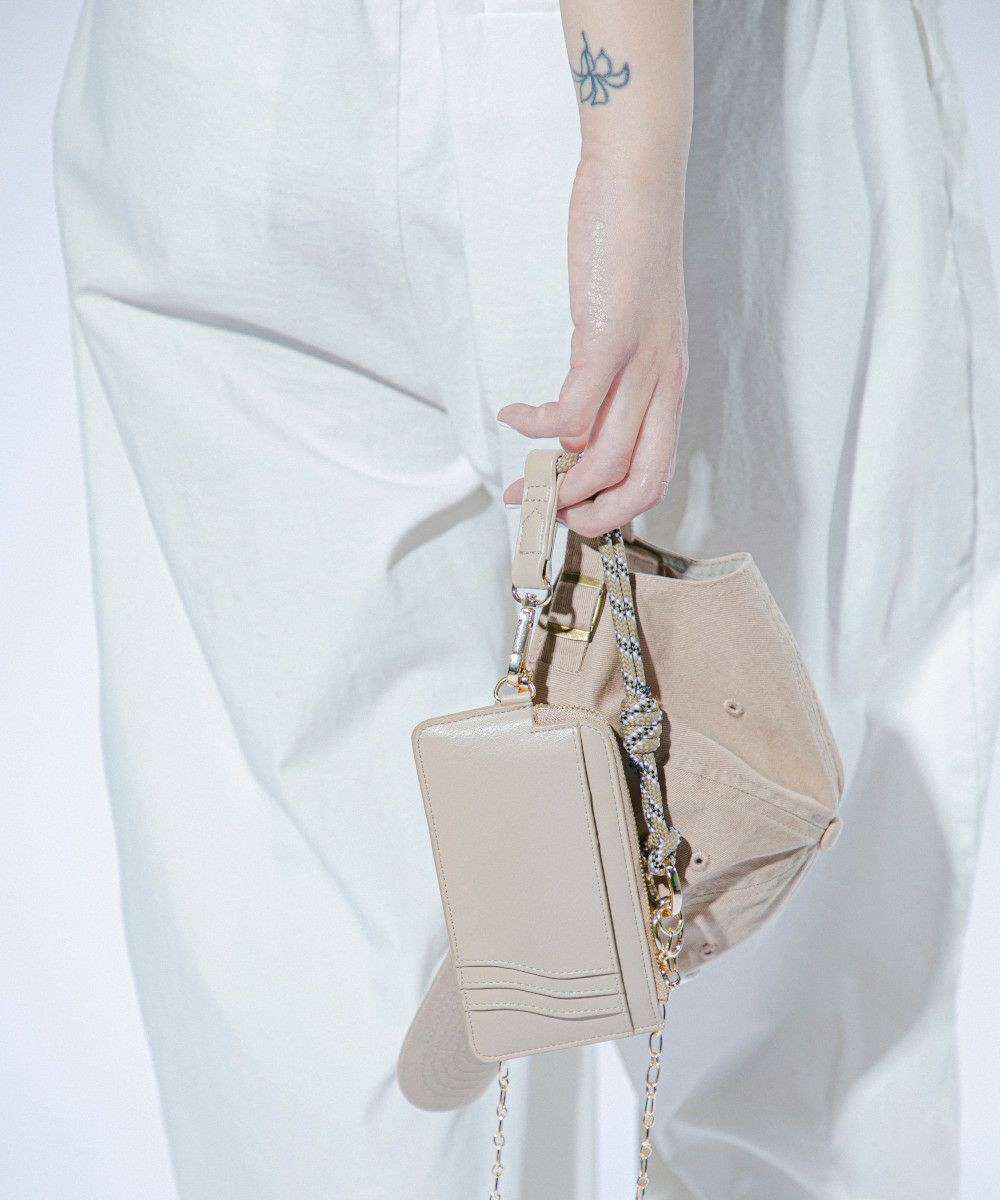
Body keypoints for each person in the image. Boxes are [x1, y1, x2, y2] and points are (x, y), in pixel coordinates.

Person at [53, 0, 999, 1196]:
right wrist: (630, 155)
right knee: (772, 992)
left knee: (317, 970)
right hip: (641, 100)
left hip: (217, 101)